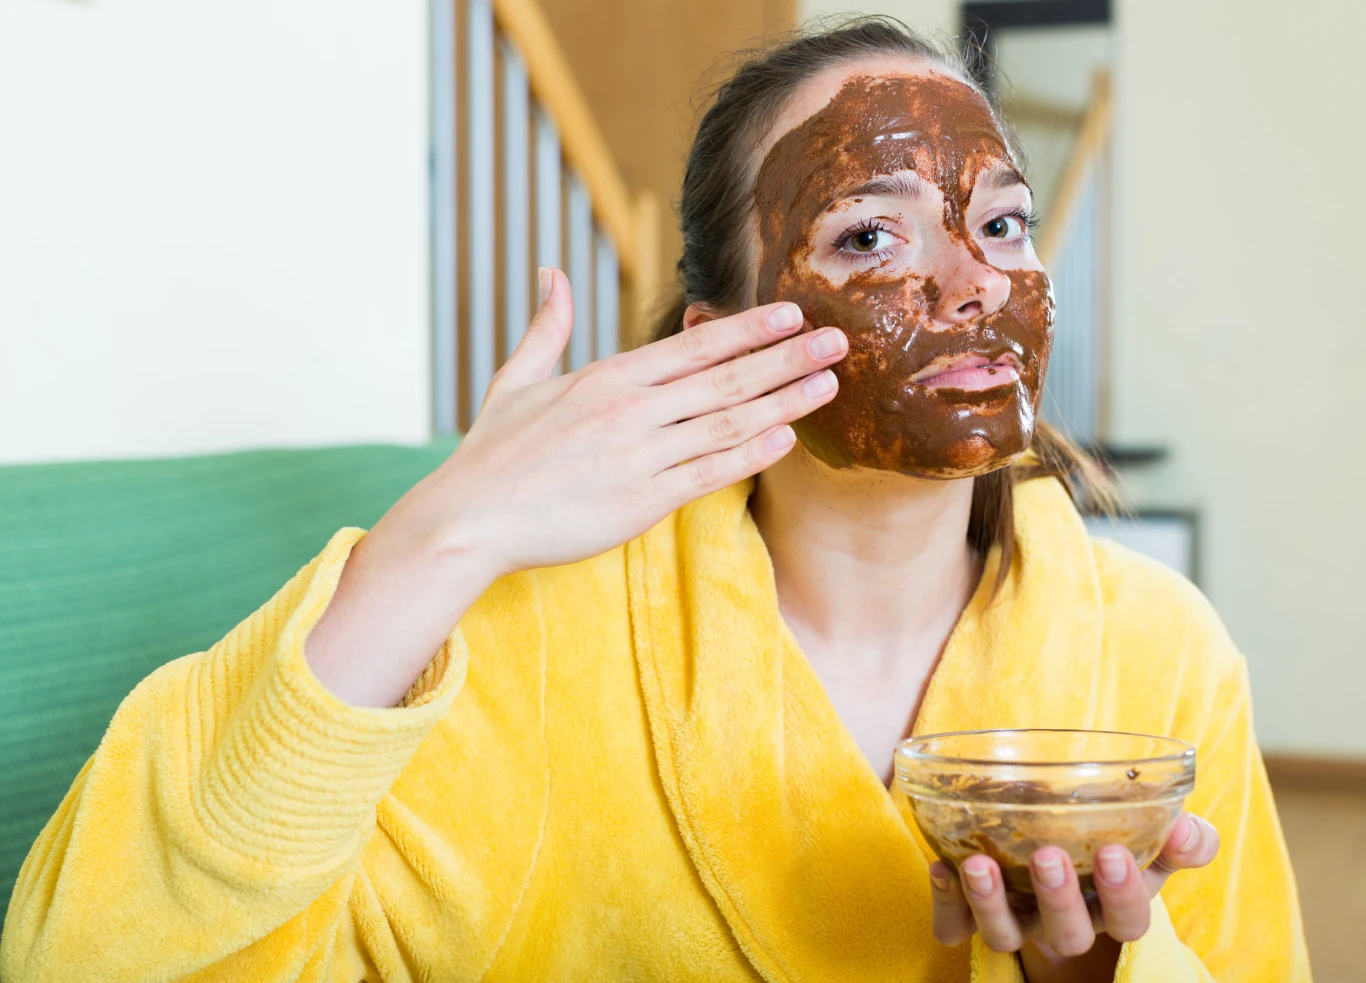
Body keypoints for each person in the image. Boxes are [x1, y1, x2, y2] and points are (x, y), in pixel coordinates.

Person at [0, 17, 1308, 983]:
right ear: (721, 336)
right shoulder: (523, 649)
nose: (974, 284)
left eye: (1003, 223)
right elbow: (92, 958)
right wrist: (439, 534)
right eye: (867, 235)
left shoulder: (1159, 648)